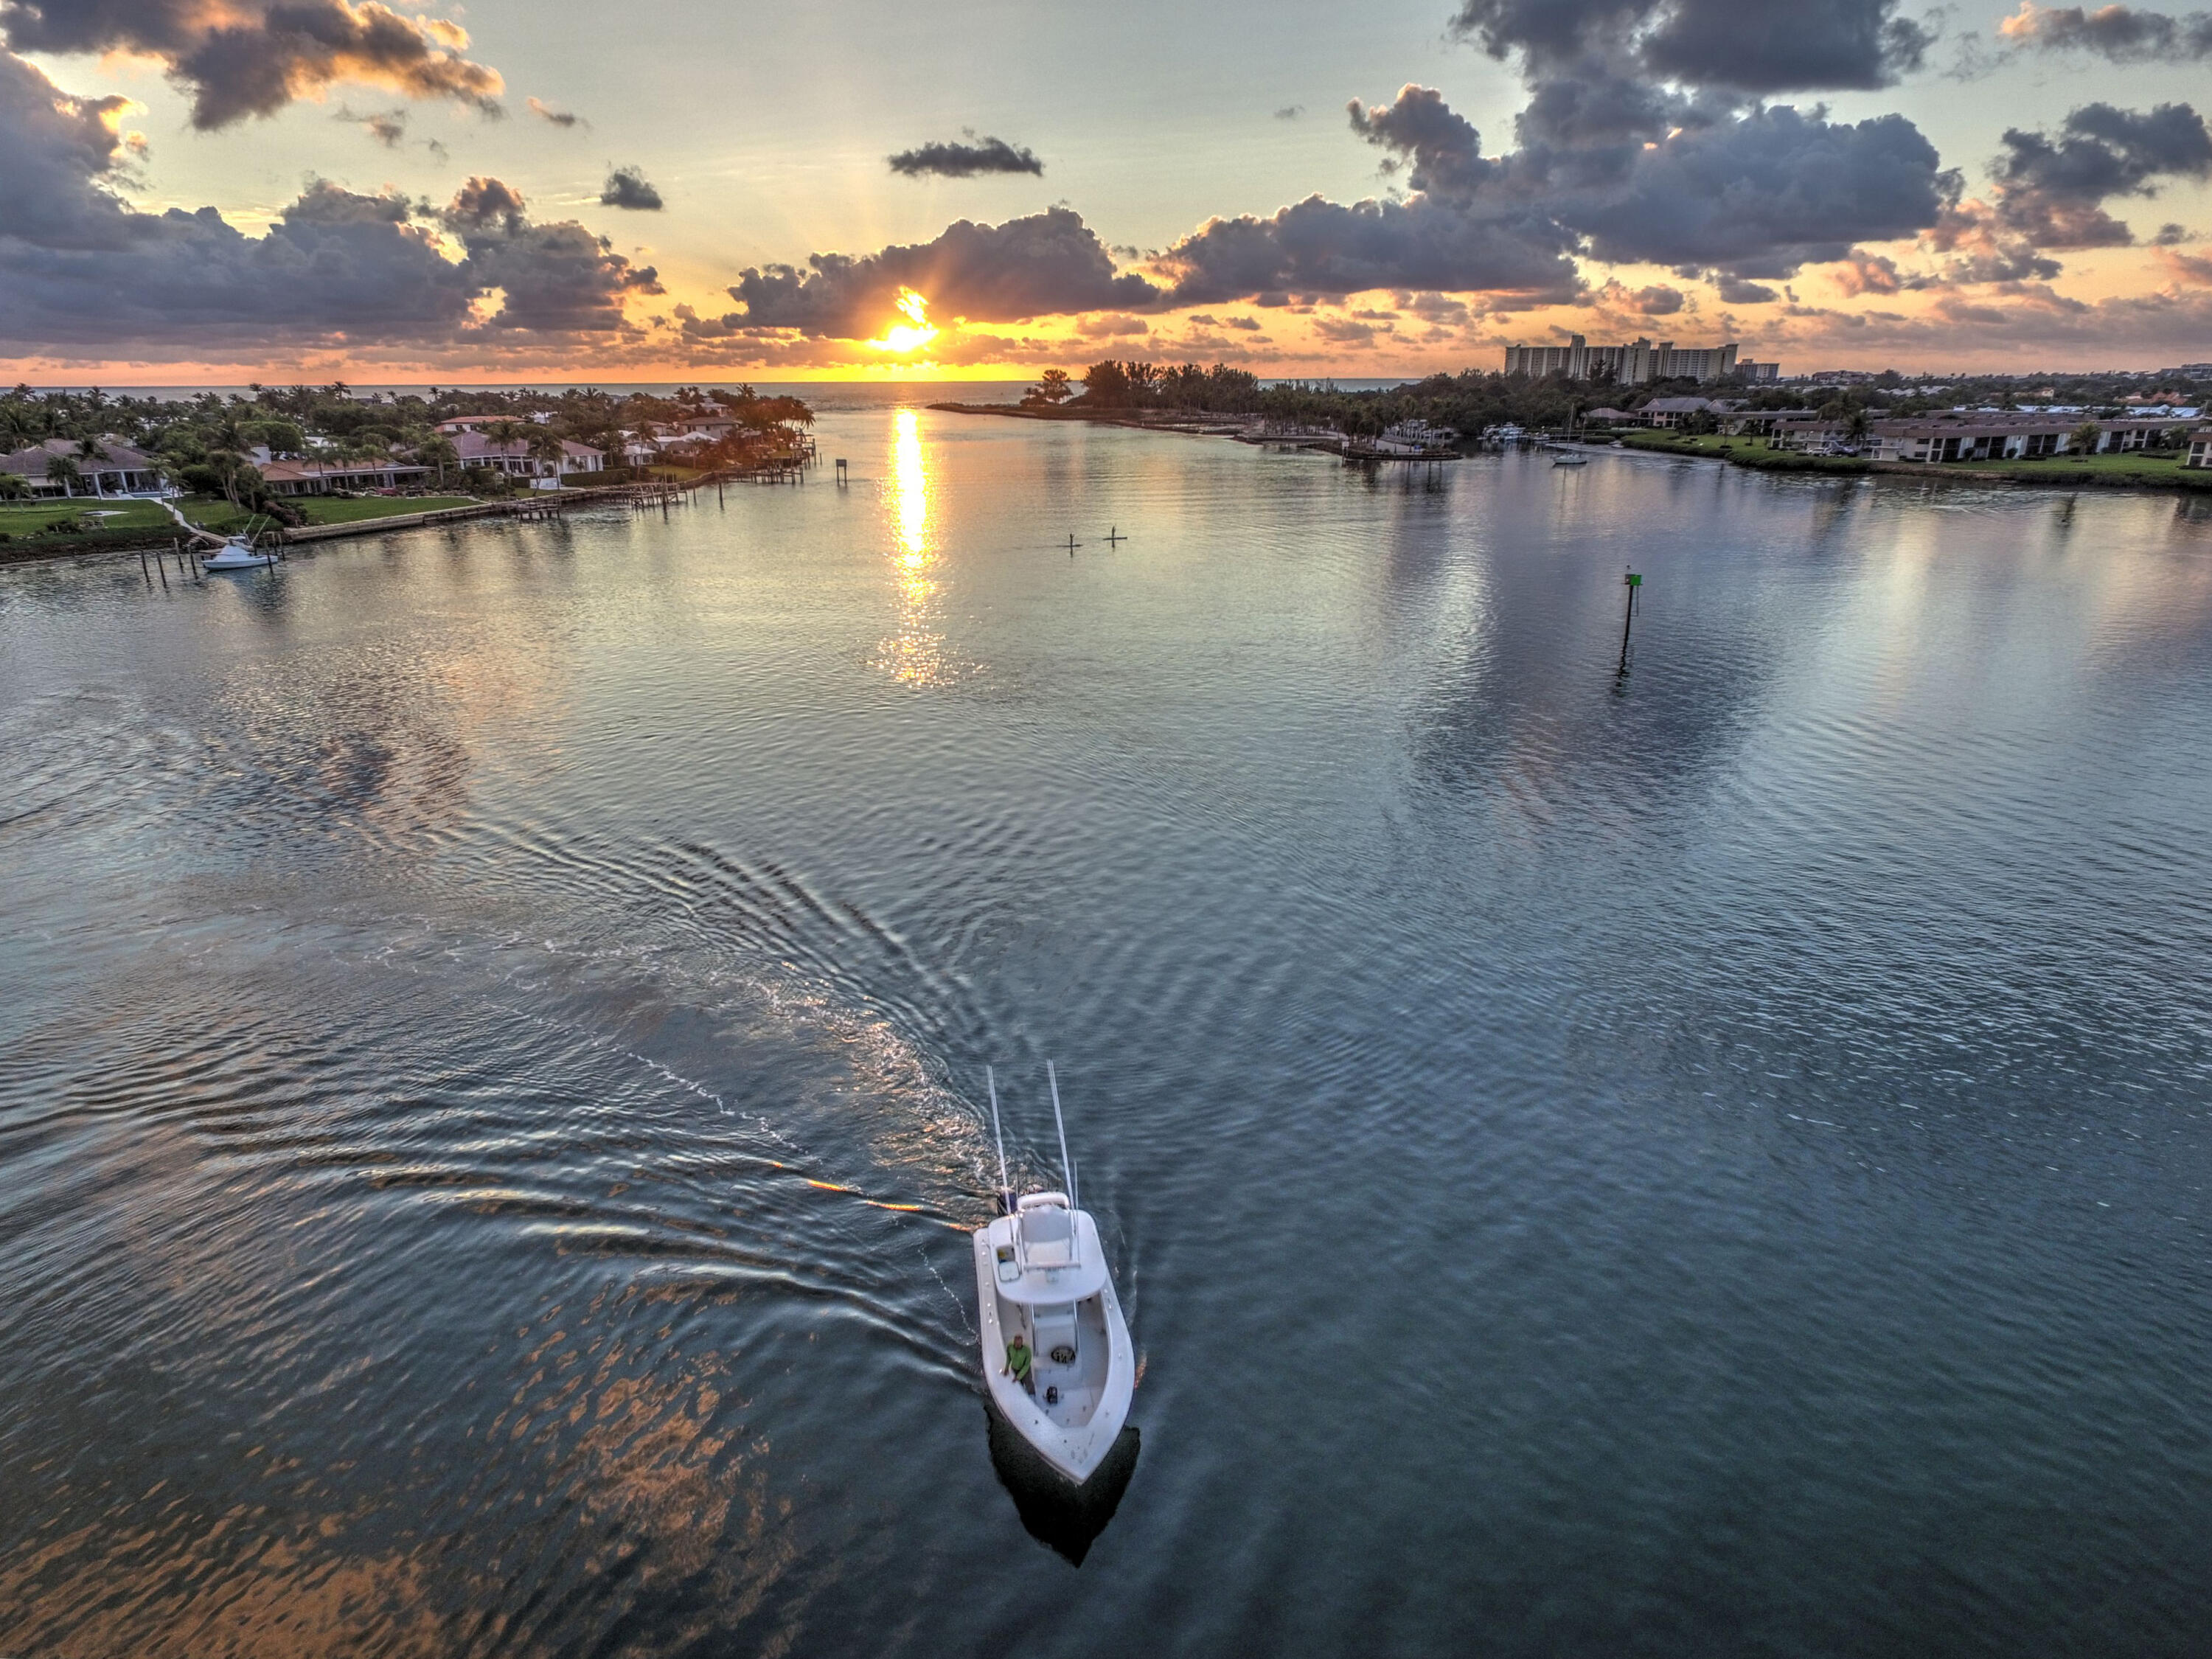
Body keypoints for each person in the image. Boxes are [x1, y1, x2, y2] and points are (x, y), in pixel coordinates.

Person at [1004, 1329, 1034, 1394]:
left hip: (1025, 1369)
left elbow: (1027, 1365)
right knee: (1018, 1384)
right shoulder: (1010, 1346)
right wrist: (1006, 1368)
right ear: (1014, 1342)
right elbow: (1008, 1357)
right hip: (1015, 1368)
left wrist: (1019, 1376)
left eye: (1019, 1344)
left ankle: (1032, 1395)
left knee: (1028, 1383)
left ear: (1022, 1342)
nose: (1017, 1346)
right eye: (1016, 1344)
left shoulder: (1027, 1350)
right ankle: (1021, 1394)